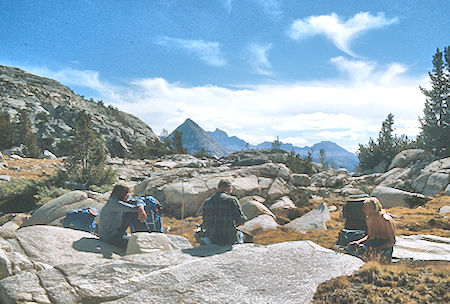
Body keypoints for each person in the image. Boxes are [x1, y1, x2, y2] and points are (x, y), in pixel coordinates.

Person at [345, 197, 396, 262]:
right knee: (349, 248)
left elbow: (392, 241)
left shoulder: (386, 220)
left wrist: (376, 249)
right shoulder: (369, 219)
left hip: (385, 245)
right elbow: (370, 236)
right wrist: (358, 242)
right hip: (375, 242)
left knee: (374, 256)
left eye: (366, 207)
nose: (363, 209)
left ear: (373, 208)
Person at [98, 184, 148, 249]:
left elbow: (138, 201)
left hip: (117, 232)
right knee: (137, 245)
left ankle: (144, 236)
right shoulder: (113, 203)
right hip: (110, 237)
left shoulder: (119, 200)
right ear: (122, 193)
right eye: (128, 193)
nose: (129, 195)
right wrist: (140, 209)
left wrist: (140, 207)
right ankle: (143, 236)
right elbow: (133, 209)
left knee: (137, 210)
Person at [201, 179, 247, 246]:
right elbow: (240, 220)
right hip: (229, 239)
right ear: (228, 188)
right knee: (241, 235)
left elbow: (205, 221)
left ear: (218, 188)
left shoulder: (207, 202)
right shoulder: (232, 200)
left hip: (212, 238)